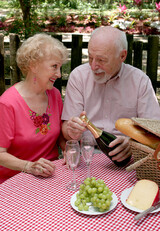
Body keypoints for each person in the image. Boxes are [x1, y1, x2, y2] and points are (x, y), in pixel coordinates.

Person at [61, 26, 160, 165]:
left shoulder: (140, 81)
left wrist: (133, 143)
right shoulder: (79, 77)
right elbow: (66, 129)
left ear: (122, 56)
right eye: (90, 57)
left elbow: (154, 132)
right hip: (86, 156)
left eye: (101, 60)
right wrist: (71, 130)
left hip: (128, 160)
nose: (93, 66)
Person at [0, 33, 68, 183]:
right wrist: (29, 166)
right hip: (15, 180)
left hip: (51, 175)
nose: (58, 74)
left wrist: (67, 148)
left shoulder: (55, 95)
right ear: (34, 65)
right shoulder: (8, 103)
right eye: (54, 66)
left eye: (60, 67)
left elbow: (60, 135)